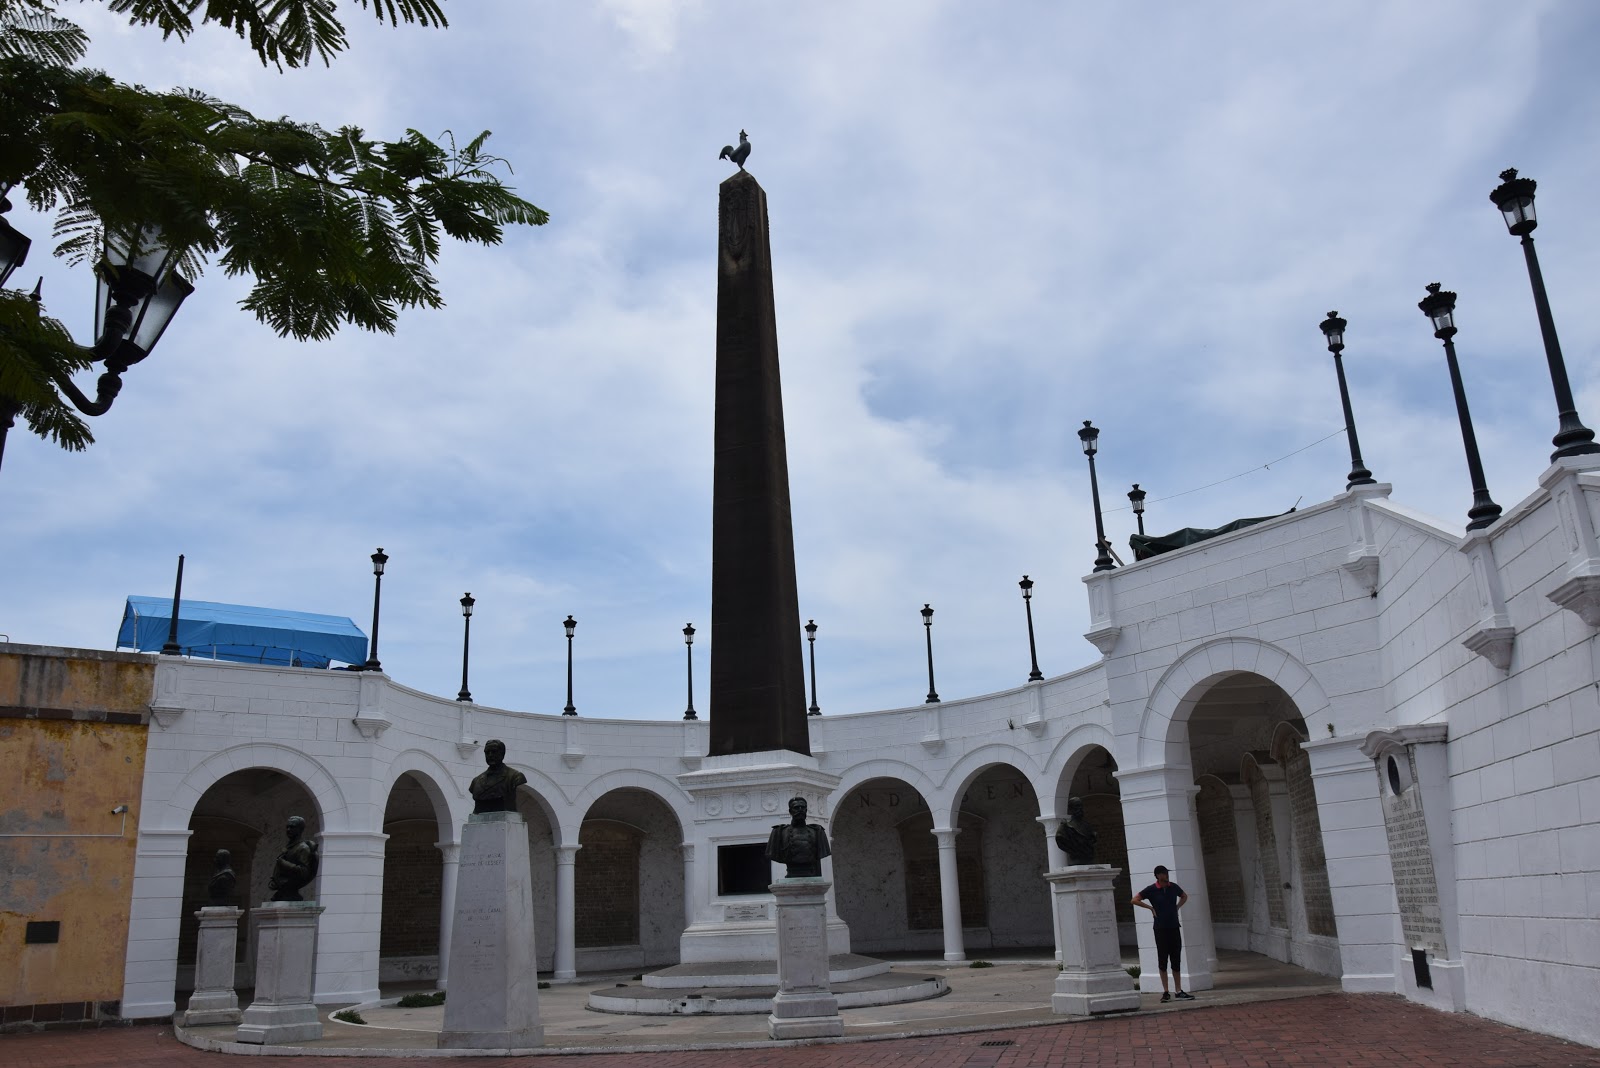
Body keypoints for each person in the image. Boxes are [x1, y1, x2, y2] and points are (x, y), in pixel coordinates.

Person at [1132, 864, 1194, 1002]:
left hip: (1174, 927)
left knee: (1176, 958)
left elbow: (1184, 896)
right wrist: (1151, 908)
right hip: (1160, 928)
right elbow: (1134, 899)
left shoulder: (1173, 887)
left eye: (1167, 873)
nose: (1167, 875)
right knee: (1163, 959)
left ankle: (1178, 990)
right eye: (1164, 873)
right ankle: (1166, 991)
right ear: (1158, 875)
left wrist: (1177, 907)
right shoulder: (1151, 889)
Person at [765, 796, 830, 878]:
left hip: (810, 873)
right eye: (796, 808)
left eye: (803, 807)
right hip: (791, 871)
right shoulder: (779, 832)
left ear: (806, 810)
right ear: (790, 811)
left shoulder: (818, 831)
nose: (800, 810)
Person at [267, 816, 319, 901]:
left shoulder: (303, 848)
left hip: (290, 886)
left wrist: (283, 863)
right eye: (287, 827)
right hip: (283, 888)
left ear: (300, 829)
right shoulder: (290, 846)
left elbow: (304, 872)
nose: (288, 829)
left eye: (292, 827)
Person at [469, 739, 528, 814]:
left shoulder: (515, 777)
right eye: (487, 752)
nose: (490, 755)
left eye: (494, 752)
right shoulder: (476, 781)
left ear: (502, 754)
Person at [1054, 796, 1097, 865]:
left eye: (1081, 806)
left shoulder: (1088, 826)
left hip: (1088, 859)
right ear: (1070, 809)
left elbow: (1093, 840)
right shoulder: (1065, 828)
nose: (1079, 809)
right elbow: (1061, 841)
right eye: (1076, 806)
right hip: (1076, 860)